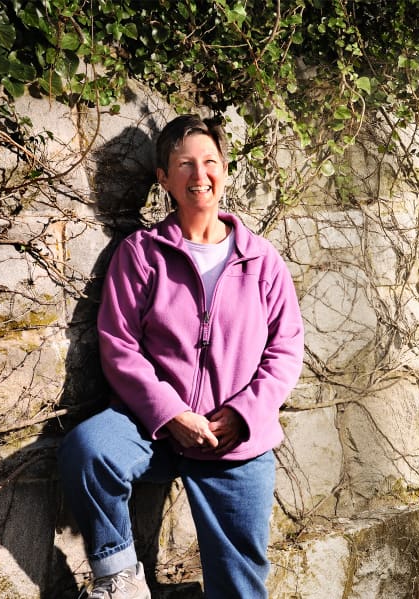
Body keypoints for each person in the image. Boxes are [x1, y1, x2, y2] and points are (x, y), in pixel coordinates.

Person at [59, 114, 305, 599]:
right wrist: (170, 413)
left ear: (225, 171)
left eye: (210, 162)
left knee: (241, 586)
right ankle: (119, 579)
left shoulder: (261, 259)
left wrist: (243, 413)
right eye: (185, 164)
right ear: (164, 179)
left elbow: (286, 349)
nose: (199, 174)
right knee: (88, 448)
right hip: (149, 428)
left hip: (232, 439)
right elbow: (119, 344)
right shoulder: (141, 253)